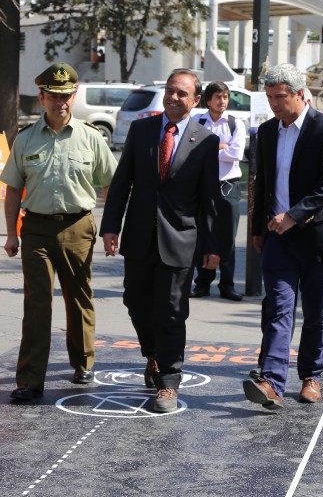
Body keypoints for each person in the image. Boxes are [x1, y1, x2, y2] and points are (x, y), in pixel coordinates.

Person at [99, 68, 224, 413]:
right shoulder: (141, 131)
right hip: (139, 236)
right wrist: (111, 226)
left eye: (182, 93)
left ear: (196, 100)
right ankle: (152, 354)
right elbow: (122, 182)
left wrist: (214, 247)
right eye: (170, 90)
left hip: (181, 240)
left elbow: (211, 198)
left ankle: (168, 381)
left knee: (170, 311)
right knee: (135, 301)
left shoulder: (206, 140)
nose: (174, 97)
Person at [1, 63, 117, 402]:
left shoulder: (91, 136)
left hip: (78, 225)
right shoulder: (25, 139)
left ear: (74, 95)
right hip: (35, 228)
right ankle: (30, 379)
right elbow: (11, 189)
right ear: (41, 98)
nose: (60, 102)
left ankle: (83, 362)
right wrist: (11, 234)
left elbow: (111, 184)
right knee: (37, 304)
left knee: (78, 296)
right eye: (54, 96)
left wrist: (111, 228)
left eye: (66, 95)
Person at [243, 63, 323, 411]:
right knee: (278, 308)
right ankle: (273, 383)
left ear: (299, 94)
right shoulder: (266, 132)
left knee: (317, 311)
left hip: (318, 236)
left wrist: (293, 215)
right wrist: (258, 229)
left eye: (281, 97)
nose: (275, 104)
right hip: (277, 238)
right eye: (270, 97)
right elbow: (261, 186)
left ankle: (311, 376)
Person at [190, 81, 246, 302]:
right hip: (203, 185)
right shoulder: (197, 121)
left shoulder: (235, 124)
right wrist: (221, 146)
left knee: (227, 236)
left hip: (228, 185)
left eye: (225, 97)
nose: (222, 101)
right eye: (218, 97)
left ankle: (228, 284)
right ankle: (202, 283)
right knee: (202, 234)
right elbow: (193, 149)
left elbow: (236, 154)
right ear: (208, 99)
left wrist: (211, 147)